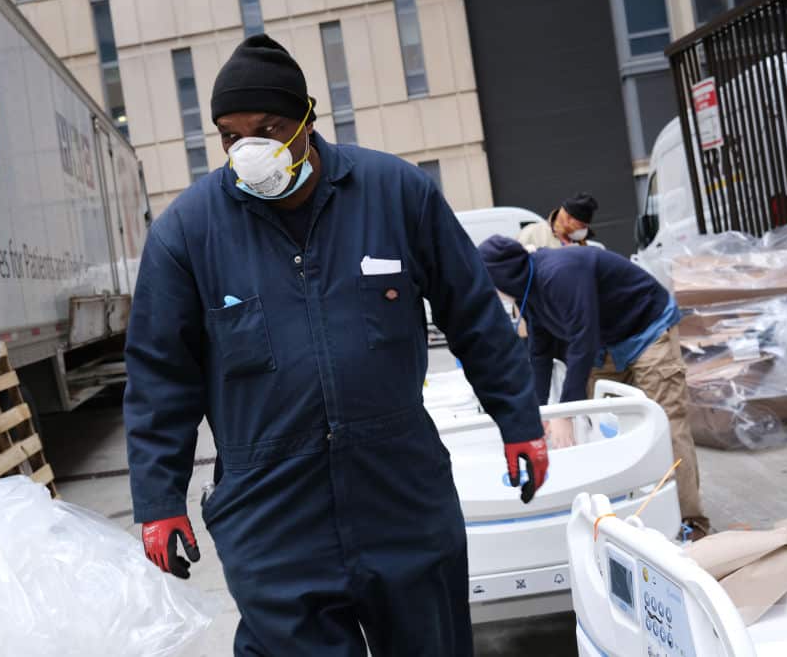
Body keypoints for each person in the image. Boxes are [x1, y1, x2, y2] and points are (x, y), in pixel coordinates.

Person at [124, 34, 549, 656]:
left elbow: (474, 312)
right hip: (273, 514)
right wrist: (159, 499)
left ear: (306, 121)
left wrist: (519, 420)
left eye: (266, 128)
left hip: (400, 497)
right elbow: (161, 376)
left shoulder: (397, 193)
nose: (249, 150)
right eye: (230, 135)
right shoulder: (188, 233)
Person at [478, 236, 710, 539]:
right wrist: (536, 412)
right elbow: (540, 352)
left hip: (646, 327)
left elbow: (581, 340)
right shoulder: (529, 290)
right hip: (607, 343)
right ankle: (633, 513)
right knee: (608, 429)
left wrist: (564, 414)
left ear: (501, 274)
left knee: (664, 424)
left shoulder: (559, 273)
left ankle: (690, 523)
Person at [518, 192, 598, 250]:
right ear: (567, 218)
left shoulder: (581, 242)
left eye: (585, 226)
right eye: (581, 225)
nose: (583, 230)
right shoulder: (532, 234)